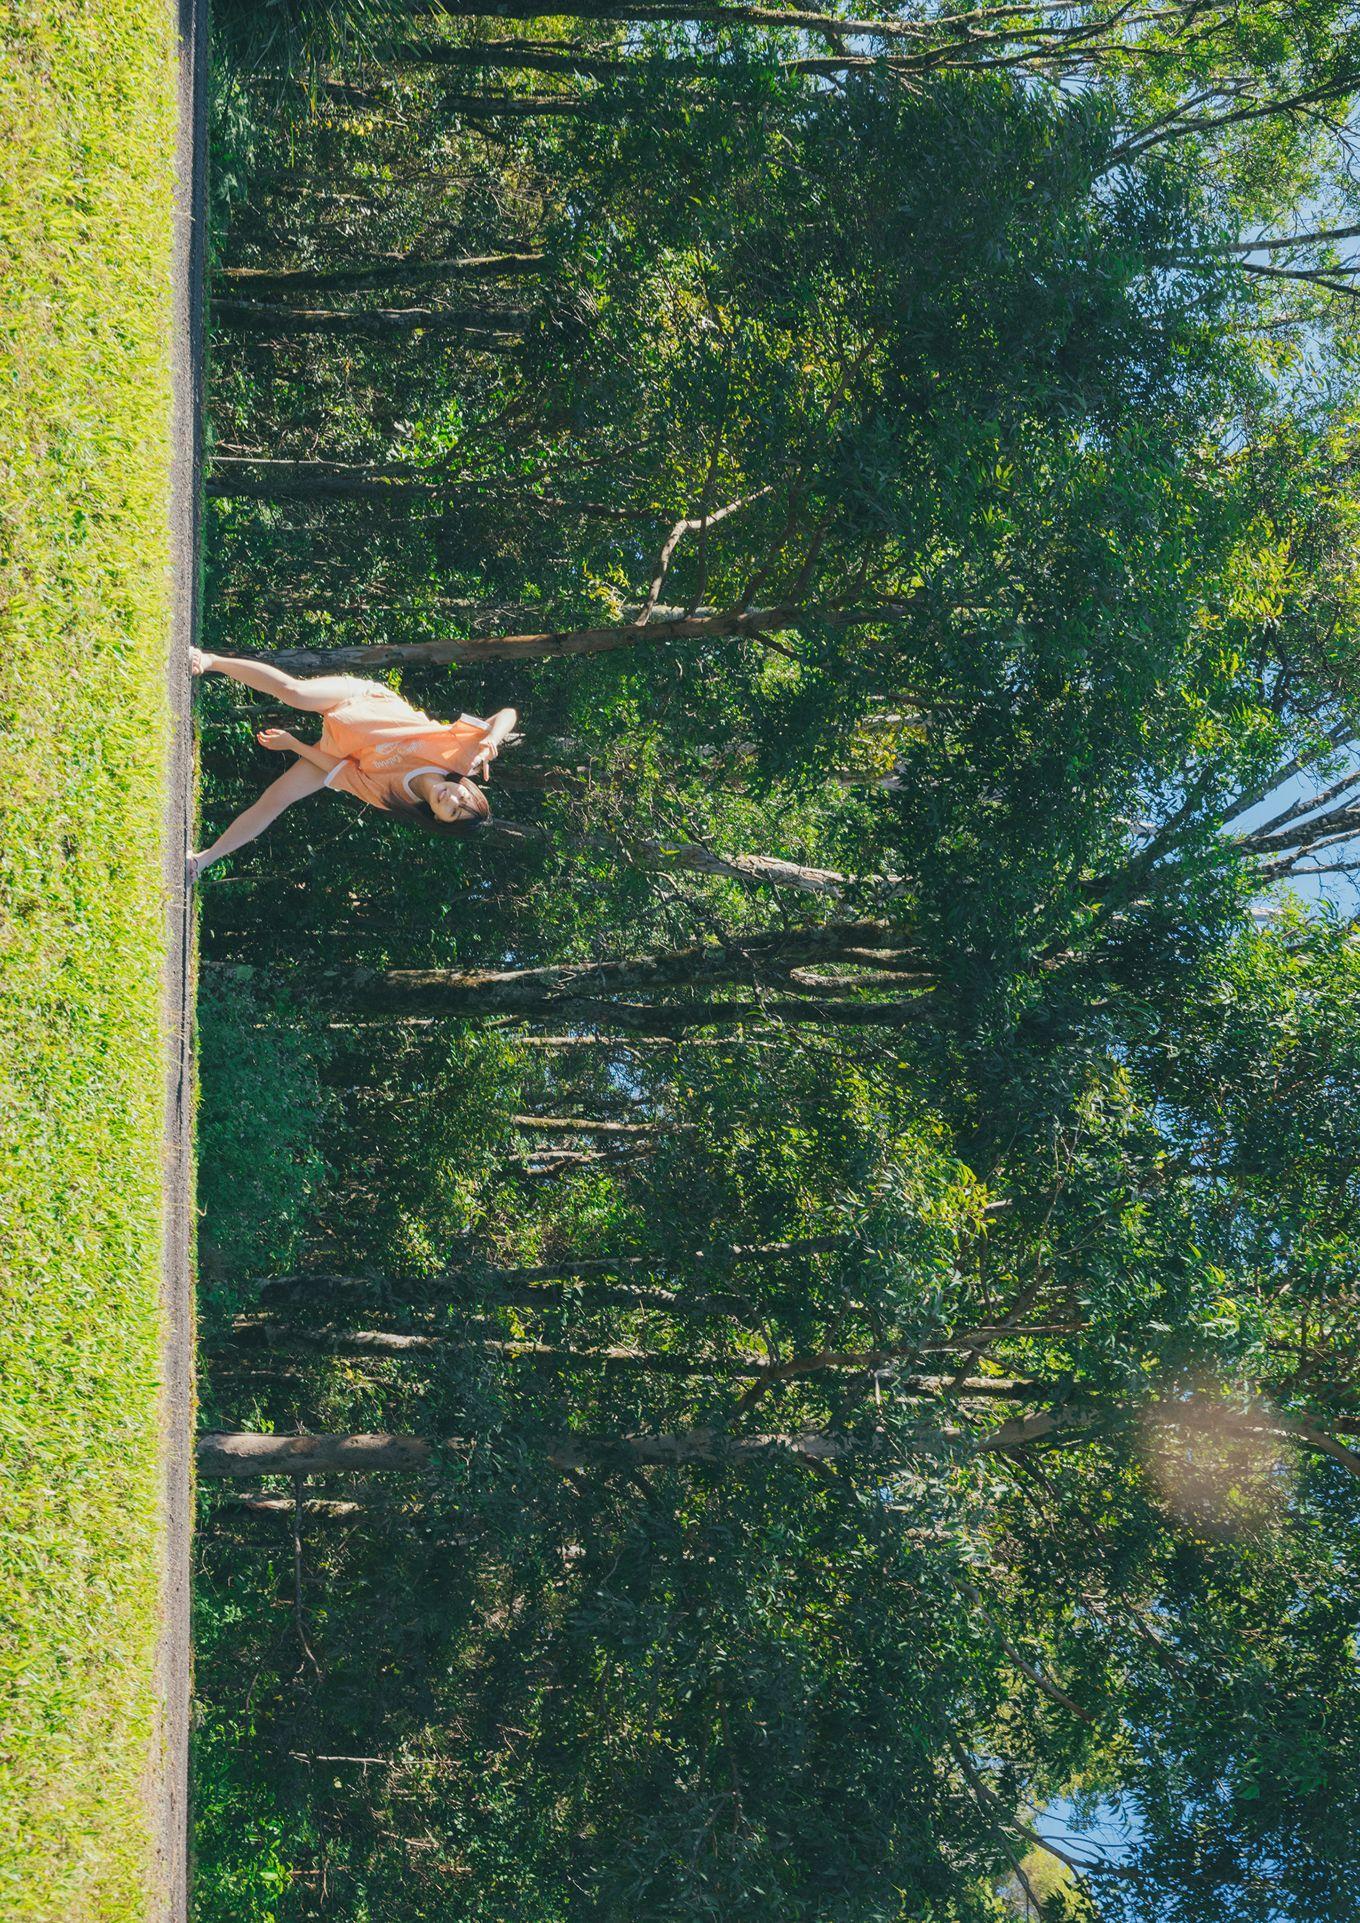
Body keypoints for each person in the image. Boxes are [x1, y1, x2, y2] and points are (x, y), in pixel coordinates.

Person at [186, 651, 518, 882]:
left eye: (454, 813)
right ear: (466, 787)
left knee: (276, 799)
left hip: (342, 750)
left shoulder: (391, 799)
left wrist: (295, 745)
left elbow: (343, 772)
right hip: (362, 702)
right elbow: (508, 714)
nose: (453, 801)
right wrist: (493, 740)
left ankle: (203, 860)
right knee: (295, 692)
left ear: (439, 819)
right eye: (464, 799)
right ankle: (211, 661)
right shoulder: (461, 757)